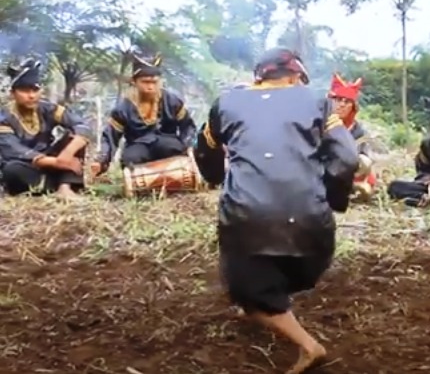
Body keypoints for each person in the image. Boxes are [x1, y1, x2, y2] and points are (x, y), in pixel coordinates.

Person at [194, 47, 358, 374]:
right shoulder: (317, 102)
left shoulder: (226, 103)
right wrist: (331, 201)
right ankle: (267, 294)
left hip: (248, 220)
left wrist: (215, 178)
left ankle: (308, 346)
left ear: (258, 77)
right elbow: (348, 159)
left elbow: (205, 149)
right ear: (296, 77)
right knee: (276, 267)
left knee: (243, 287)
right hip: (313, 232)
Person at [90, 53, 196, 176]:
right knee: (130, 159)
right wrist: (101, 160)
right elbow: (110, 137)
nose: (150, 87)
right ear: (134, 82)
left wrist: (189, 145)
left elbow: (188, 126)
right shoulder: (123, 108)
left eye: (154, 82)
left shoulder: (172, 101)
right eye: (145, 82)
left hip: (168, 145)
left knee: (172, 148)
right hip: (137, 146)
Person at [0, 58, 90, 199]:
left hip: (53, 163)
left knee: (74, 138)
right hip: (26, 166)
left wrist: (67, 152)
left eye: (35, 90)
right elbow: (12, 150)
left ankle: (64, 187)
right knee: (11, 170)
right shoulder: (3, 117)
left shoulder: (49, 109)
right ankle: (58, 184)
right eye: (24, 90)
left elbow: (82, 126)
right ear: (13, 93)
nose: (31, 95)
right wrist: (57, 162)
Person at [327, 73, 375, 201]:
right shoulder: (318, 124)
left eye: (347, 101)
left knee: (365, 164)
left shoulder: (358, 131)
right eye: (338, 100)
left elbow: (363, 161)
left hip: (346, 172)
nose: (342, 105)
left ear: (353, 107)